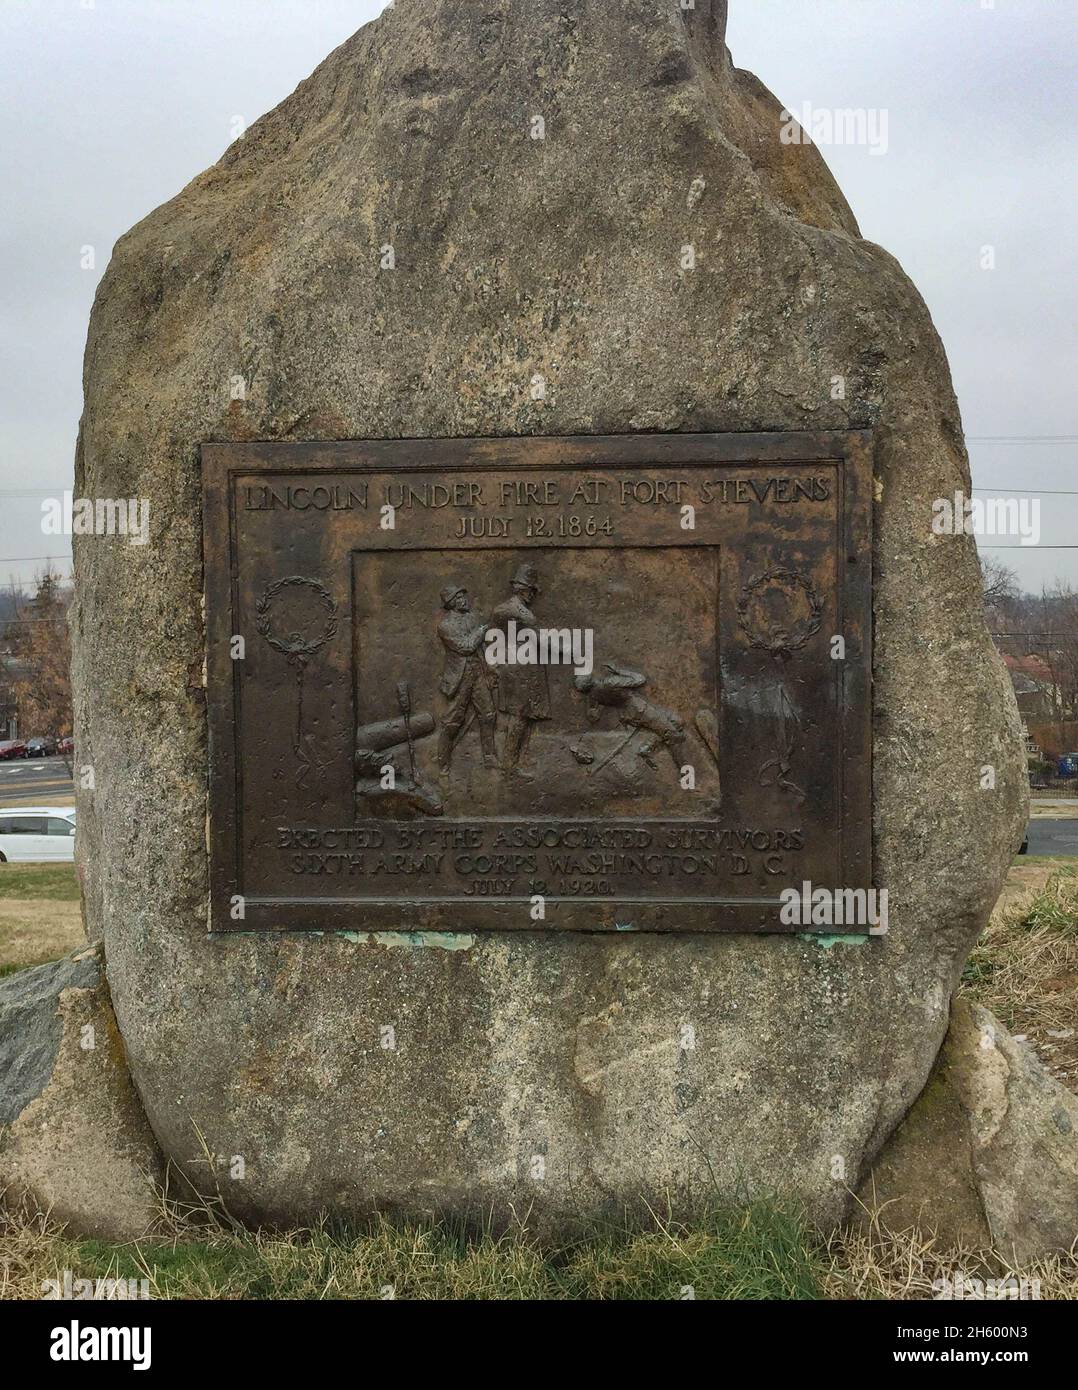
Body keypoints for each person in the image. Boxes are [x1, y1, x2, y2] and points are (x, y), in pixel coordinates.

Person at [491, 563, 550, 774]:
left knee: (525, 717)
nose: (533, 595)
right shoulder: (516, 611)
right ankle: (509, 764)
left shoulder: (512, 610)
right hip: (519, 669)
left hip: (525, 667)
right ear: (523, 589)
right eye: (531, 590)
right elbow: (541, 640)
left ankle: (516, 760)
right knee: (520, 717)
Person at [437, 585, 498, 772]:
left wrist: (491, 669)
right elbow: (466, 646)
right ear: (451, 603)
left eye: (464, 596)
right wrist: (480, 632)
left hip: (478, 672)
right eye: (459, 598)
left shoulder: (472, 618)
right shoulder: (445, 626)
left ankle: (490, 757)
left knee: (488, 715)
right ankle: (443, 762)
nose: (464, 600)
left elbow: (481, 648)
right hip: (460, 678)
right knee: (453, 721)